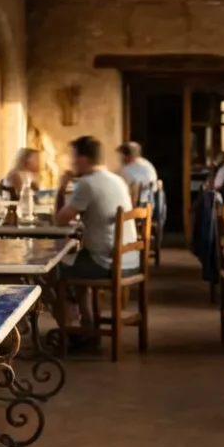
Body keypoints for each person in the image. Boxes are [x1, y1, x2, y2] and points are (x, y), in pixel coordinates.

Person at [54, 136, 140, 344]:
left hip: (106, 262)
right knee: (75, 261)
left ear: (83, 159)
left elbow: (59, 220)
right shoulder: (117, 180)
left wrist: (61, 187)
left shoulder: (87, 183)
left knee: (51, 269)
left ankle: (75, 329)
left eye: (73, 158)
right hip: (130, 259)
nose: (72, 163)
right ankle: (87, 326)